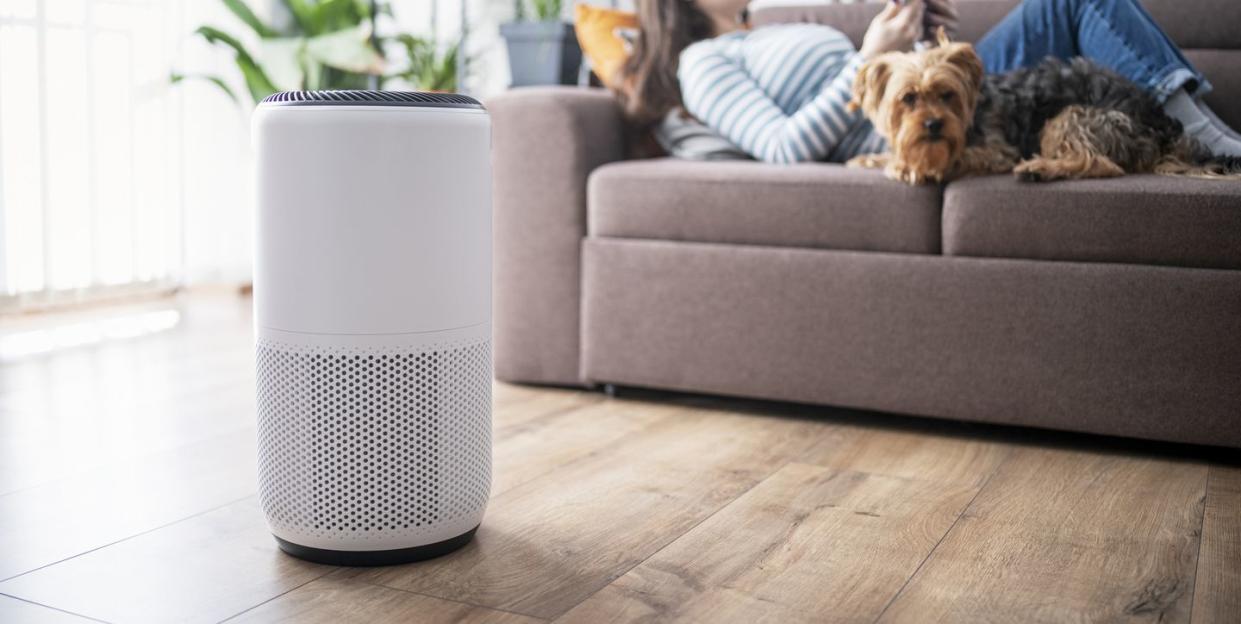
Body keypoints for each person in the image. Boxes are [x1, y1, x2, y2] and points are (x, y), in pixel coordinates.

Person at [616, 0, 1241, 164]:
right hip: (899, 138)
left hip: (941, 96)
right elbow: (783, 148)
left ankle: (1199, 134)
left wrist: (924, 42)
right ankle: (1210, 144)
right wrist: (867, 60)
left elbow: (904, 83)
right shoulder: (702, 61)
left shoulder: (765, 30)